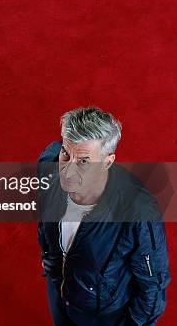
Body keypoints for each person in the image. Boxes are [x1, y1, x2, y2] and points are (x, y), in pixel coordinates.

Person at [37, 107, 170, 325]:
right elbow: (44, 217)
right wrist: (49, 260)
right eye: (66, 154)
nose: (67, 171)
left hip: (103, 316)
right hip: (60, 295)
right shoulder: (49, 164)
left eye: (84, 161)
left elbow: (153, 286)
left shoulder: (138, 213)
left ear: (107, 162)